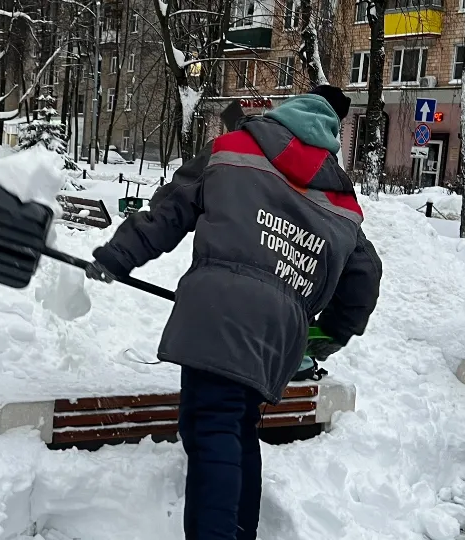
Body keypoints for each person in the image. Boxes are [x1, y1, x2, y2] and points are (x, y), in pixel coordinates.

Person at [84, 85, 383, 540]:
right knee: (236, 427)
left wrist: (116, 257)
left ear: (285, 114)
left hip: (216, 316)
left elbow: (168, 212)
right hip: (277, 336)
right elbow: (365, 276)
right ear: (330, 134)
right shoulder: (341, 202)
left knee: (212, 430)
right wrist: (323, 337)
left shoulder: (234, 148)